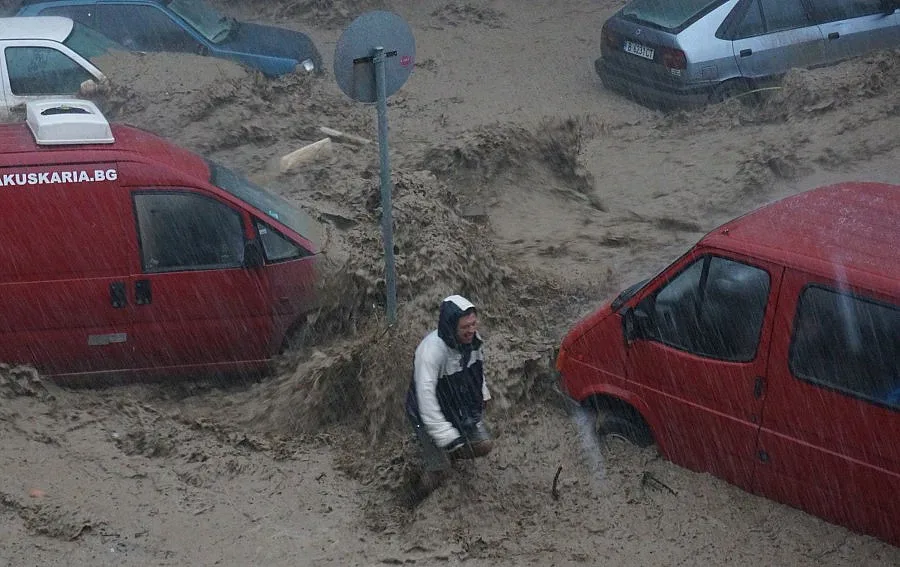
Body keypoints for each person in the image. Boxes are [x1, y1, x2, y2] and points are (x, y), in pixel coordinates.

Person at [405, 295, 493, 495]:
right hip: (425, 415)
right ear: (452, 326)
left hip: (456, 407)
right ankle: (414, 498)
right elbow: (425, 399)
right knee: (439, 471)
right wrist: (445, 434)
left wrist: (482, 394)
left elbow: (477, 371)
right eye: (465, 327)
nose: (471, 330)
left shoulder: (473, 342)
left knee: (484, 445)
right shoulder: (430, 352)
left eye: (473, 324)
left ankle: (449, 453)